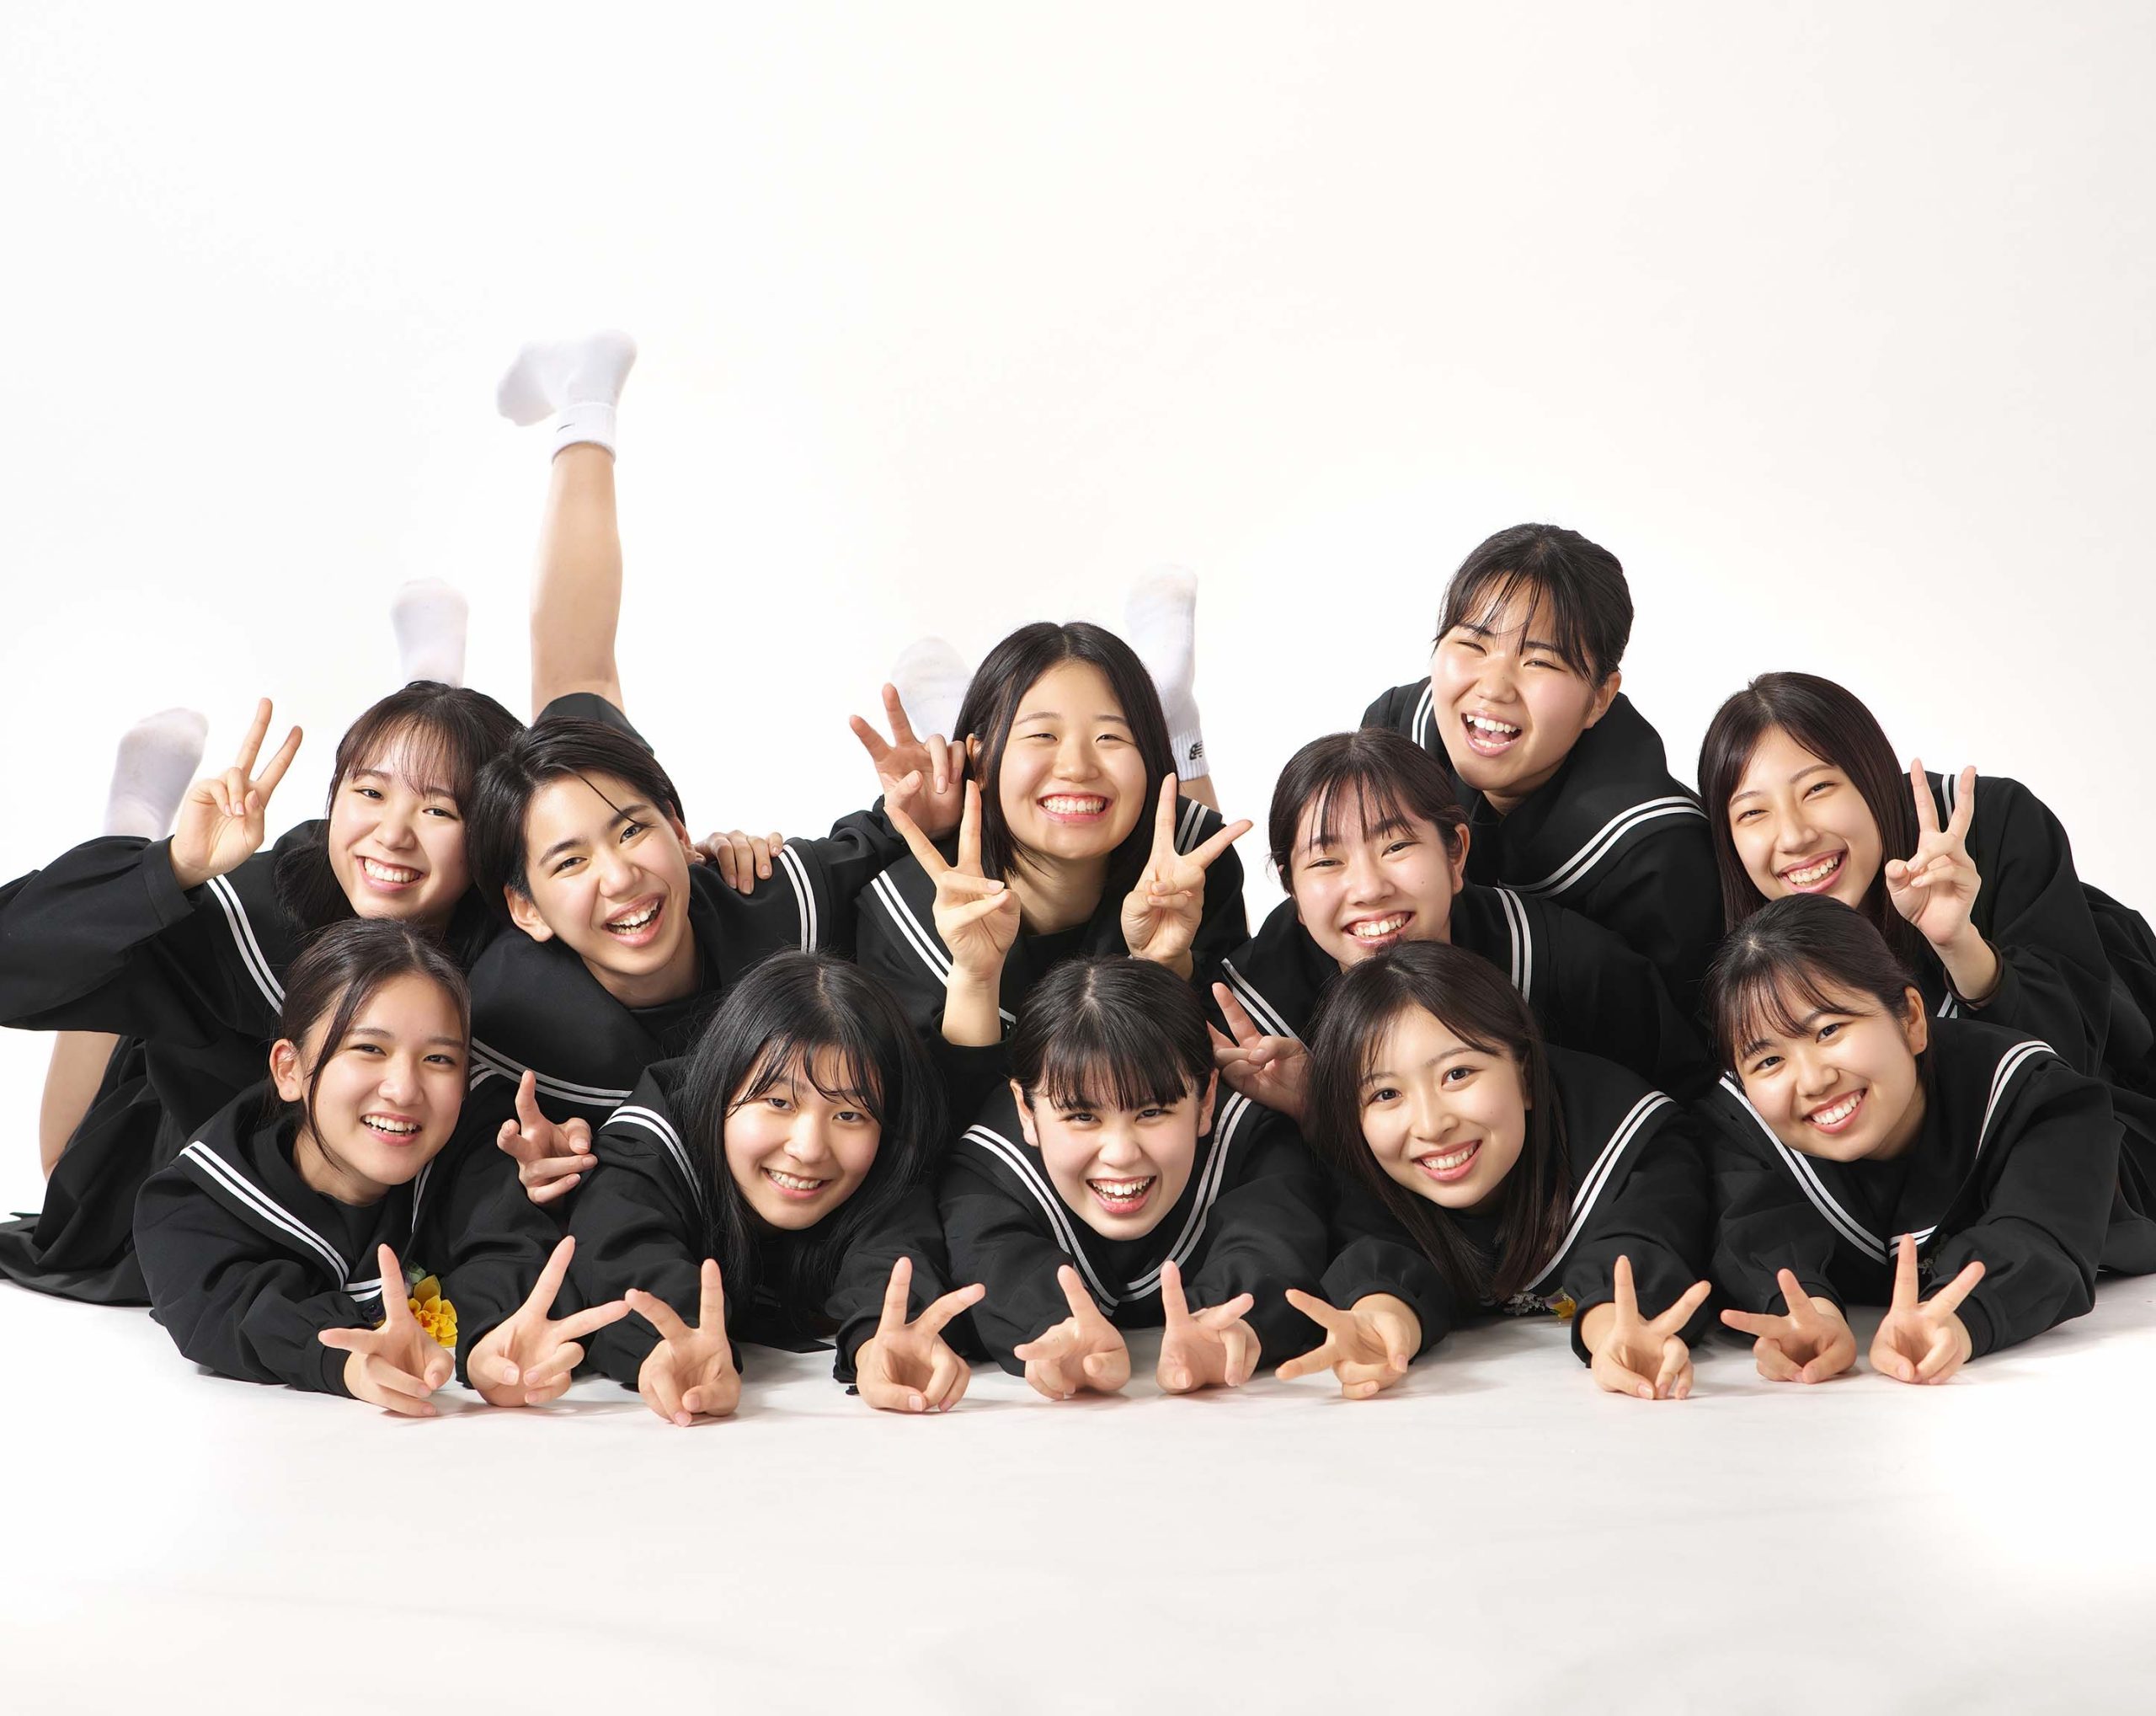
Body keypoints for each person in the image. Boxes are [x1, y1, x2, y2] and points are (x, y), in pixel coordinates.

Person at [134, 919, 600, 1412]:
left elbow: (508, 1249)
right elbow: (231, 1308)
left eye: (439, 1059)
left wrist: (494, 1344)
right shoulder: (194, 1203)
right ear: (289, 1069)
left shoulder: (476, 1150)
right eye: (369, 1049)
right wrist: (350, 1361)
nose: (404, 1090)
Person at [1701, 893, 2155, 1383]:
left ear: (1911, 1018)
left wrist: (1958, 1318)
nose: (1812, 1081)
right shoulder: (1743, 1125)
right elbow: (1753, 1226)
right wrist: (1809, 1313)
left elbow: (2040, 1227)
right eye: (1769, 1060)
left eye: (1829, 1030)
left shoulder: (2033, 1095)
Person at [1200, 729, 1708, 1122]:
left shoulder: (1565, 963)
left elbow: (1691, 1107)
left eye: (1397, 846)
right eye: (1327, 862)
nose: (1369, 889)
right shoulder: (1255, 1015)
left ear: (1456, 853)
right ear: (1290, 886)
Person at [565, 952, 979, 1419]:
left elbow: (895, 1256)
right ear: (722, 1085)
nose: (809, 1149)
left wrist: (882, 1342)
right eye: (779, 1102)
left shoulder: (885, 1157)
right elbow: (626, 1252)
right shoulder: (652, 1144)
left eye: (849, 1114)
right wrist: (676, 1341)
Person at [1293, 942, 1710, 1401]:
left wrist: (1614, 1331)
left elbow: (1641, 1240)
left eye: (1457, 1074)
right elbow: (1377, 1250)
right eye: (1386, 1094)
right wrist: (1380, 1324)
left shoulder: (1632, 1138)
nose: (1431, 1126)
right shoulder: (1362, 1164)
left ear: (1526, 1076)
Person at [1361, 523, 1717, 1010]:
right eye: (1473, 645)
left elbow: (1683, 1039)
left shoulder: (1659, 854)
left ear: (1600, 697)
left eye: (1540, 662)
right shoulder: (1399, 734)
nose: (1493, 689)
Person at [938, 956, 1328, 1398]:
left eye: (1152, 1112)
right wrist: (1053, 1328)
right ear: (1026, 1109)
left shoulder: (1250, 1139)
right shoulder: (990, 1168)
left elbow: (1271, 1241)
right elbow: (995, 1259)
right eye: (1083, 1116)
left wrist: (1230, 1327)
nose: (1121, 1154)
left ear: (1206, 1100)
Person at [858, 620, 1247, 1045]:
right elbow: (926, 1088)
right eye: (1043, 735)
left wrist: (1168, 966)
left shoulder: (1187, 871)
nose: (1077, 767)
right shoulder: (903, 910)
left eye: (1110, 736)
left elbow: (1216, 1066)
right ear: (980, 761)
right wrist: (975, 979)